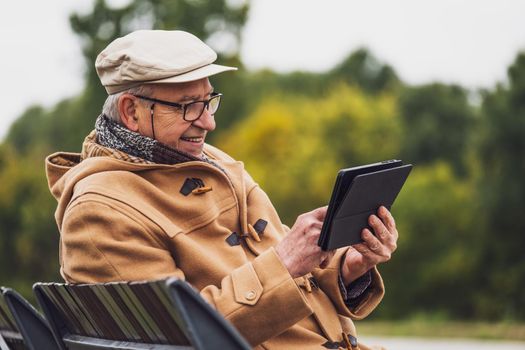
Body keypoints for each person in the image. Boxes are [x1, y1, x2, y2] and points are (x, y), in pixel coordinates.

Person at [46, 30, 398, 350]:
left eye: (209, 101)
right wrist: (284, 264)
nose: (208, 122)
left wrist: (348, 266)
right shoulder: (99, 211)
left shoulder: (213, 161)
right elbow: (174, 339)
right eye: (187, 106)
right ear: (131, 111)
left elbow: (291, 265)